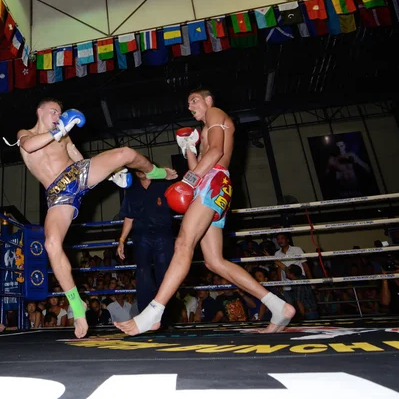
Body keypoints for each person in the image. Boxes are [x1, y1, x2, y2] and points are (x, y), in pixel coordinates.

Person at [115, 88, 296, 336]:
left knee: (183, 244)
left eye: (195, 99)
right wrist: (189, 149)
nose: (191, 105)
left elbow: (216, 153)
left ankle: (152, 313)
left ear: (209, 100)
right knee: (213, 260)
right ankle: (279, 306)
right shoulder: (208, 128)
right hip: (211, 186)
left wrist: (189, 180)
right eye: (188, 103)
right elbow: (202, 162)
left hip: (213, 183)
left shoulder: (215, 112)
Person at [13, 98, 177, 338]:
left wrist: (109, 176)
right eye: (53, 111)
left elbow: (77, 157)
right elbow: (28, 146)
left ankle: (156, 171)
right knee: (51, 244)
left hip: (78, 174)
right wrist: (60, 128)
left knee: (126, 153)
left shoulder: (64, 134)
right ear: (39, 112)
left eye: (60, 112)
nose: (58, 115)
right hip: (58, 194)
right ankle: (77, 306)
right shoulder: (26, 134)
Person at [117, 167, 174, 320]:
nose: (141, 170)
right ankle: (145, 315)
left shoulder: (164, 186)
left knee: (165, 273)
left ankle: (166, 316)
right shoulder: (132, 192)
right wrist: (122, 240)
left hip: (163, 235)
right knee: (143, 273)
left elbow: (181, 202)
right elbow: (128, 218)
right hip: (142, 236)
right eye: (138, 168)